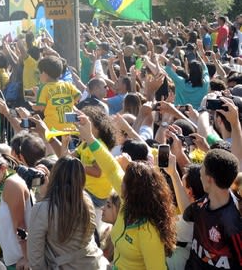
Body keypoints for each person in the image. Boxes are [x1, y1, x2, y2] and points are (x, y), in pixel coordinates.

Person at [76, 110, 176, 270]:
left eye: (125, 181)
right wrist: (89, 137)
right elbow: (110, 168)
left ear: (136, 191)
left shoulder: (149, 232)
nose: (120, 182)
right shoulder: (127, 200)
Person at [27, 156, 105, 269]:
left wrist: (43, 195)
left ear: (54, 175)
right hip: (91, 263)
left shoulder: (43, 209)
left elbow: (35, 257)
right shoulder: (86, 200)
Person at [184, 144, 242, 267]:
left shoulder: (233, 223)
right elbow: (186, 216)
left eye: (202, 169)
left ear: (209, 179)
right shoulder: (202, 203)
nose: (199, 172)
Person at [33, 56, 81, 130]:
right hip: (69, 127)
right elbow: (79, 96)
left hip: (52, 129)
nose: (39, 75)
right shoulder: (68, 84)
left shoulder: (44, 88)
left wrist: (34, 103)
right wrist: (69, 103)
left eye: (39, 73)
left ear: (45, 73)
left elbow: (40, 108)